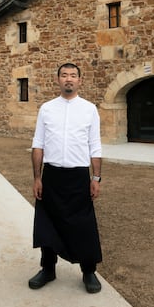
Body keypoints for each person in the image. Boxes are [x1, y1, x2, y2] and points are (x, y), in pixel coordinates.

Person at [28, 62, 103, 293]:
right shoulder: (47, 109)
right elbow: (38, 144)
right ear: (57, 80)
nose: (68, 79)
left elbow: (95, 145)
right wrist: (37, 178)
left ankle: (88, 272)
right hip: (51, 176)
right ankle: (48, 269)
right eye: (64, 75)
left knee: (83, 226)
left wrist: (96, 178)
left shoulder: (89, 109)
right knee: (47, 224)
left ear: (80, 80)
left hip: (78, 176)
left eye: (73, 75)